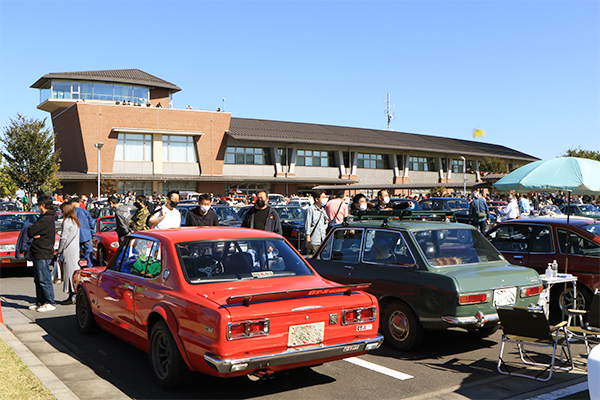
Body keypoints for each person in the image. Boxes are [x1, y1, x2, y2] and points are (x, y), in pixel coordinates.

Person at [27, 195, 57, 312]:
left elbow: (31, 230)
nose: (38, 207)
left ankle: (50, 301)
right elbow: (33, 231)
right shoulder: (45, 217)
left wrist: (34, 233)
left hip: (43, 252)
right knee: (38, 279)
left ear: (43, 205)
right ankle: (40, 301)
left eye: (39, 205)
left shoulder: (46, 219)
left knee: (44, 278)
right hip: (38, 251)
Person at [56, 201, 81, 305]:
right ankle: (74, 294)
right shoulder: (75, 221)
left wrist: (59, 251)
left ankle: (71, 295)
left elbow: (63, 238)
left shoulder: (67, 222)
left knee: (69, 272)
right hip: (75, 249)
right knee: (74, 272)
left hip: (68, 250)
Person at [73, 198, 94, 268]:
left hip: (76, 236)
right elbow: (91, 224)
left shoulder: (71, 213)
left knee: (76, 254)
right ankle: (89, 267)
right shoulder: (85, 212)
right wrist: (92, 234)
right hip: (86, 235)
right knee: (88, 253)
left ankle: (78, 267)